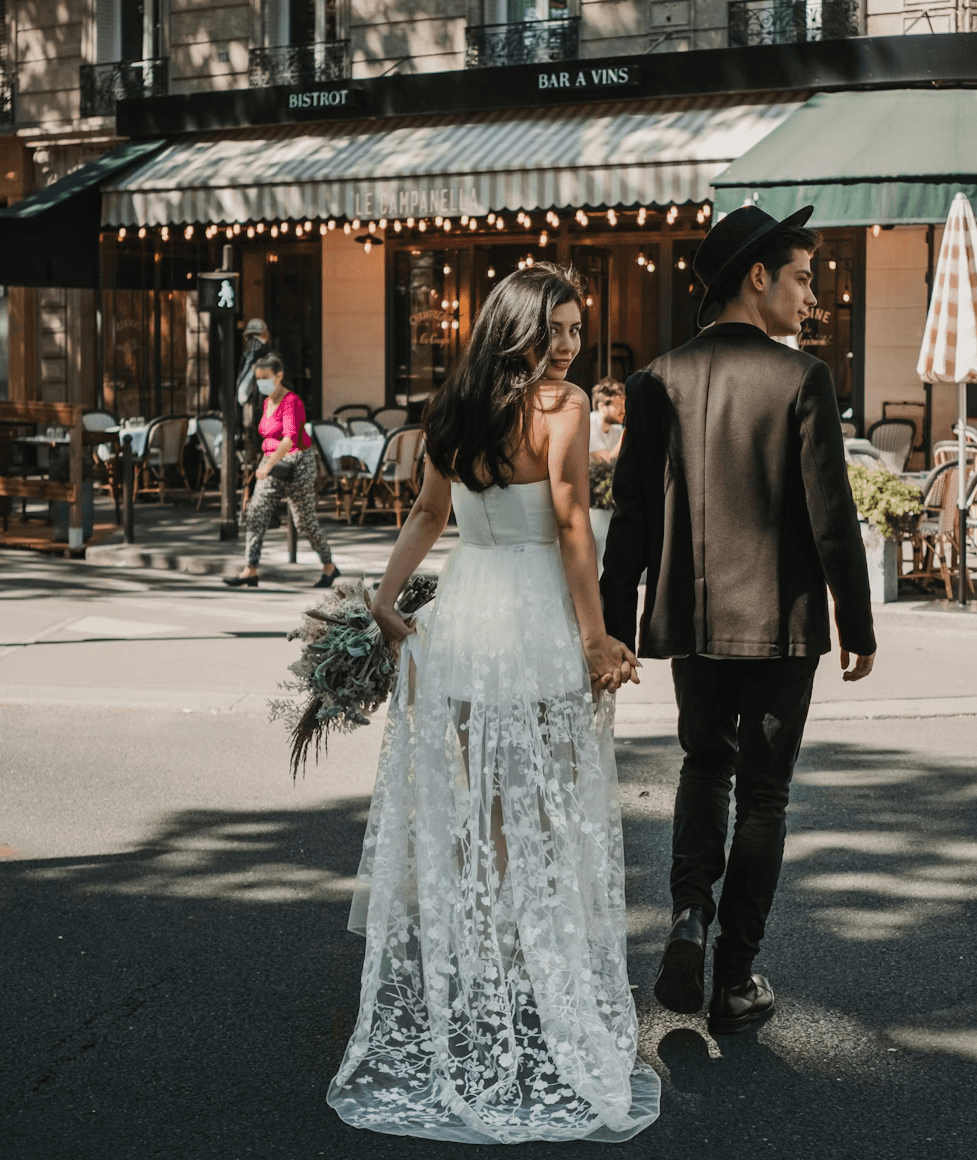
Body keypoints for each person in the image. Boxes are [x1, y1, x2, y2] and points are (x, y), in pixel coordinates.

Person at [330, 263, 657, 1143]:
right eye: (557, 329)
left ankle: (490, 971)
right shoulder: (564, 407)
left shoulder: (453, 405)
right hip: (538, 616)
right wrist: (595, 637)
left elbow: (430, 517)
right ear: (519, 329)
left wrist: (386, 597)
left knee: (491, 811)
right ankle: (537, 972)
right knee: (552, 806)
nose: (570, 344)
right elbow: (572, 518)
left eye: (576, 329)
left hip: (468, 617)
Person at [600, 205, 876, 1037]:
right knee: (765, 793)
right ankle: (736, 976)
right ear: (757, 277)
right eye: (802, 278)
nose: (811, 297)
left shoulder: (654, 382)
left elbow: (633, 521)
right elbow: (834, 516)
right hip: (783, 620)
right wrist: (857, 624)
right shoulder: (803, 379)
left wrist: (613, 627)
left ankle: (688, 915)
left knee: (702, 766)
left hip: (689, 617)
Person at [223, 354, 338, 589]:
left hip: (298, 462)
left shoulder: (292, 401)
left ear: (279, 376)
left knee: (303, 521)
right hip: (273, 463)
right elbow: (270, 438)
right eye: (257, 378)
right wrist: (267, 463)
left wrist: (267, 465)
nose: (260, 383)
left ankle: (329, 566)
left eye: (265, 378)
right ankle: (250, 568)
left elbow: (288, 440)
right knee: (256, 512)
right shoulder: (266, 403)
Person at [234, 318, 271, 426]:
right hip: (247, 409)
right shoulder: (245, 357)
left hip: (262, 411)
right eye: (250, 336)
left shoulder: (269, 357)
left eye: (258, 335)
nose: (254, 340)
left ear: (265, 336)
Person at [590, 377, 626, 462]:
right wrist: (624, 435)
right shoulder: (588, 425)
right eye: (619, 406)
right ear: (601, 405)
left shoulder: (616, 428)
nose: (624, 411)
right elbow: (605, 463)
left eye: (624, 406)